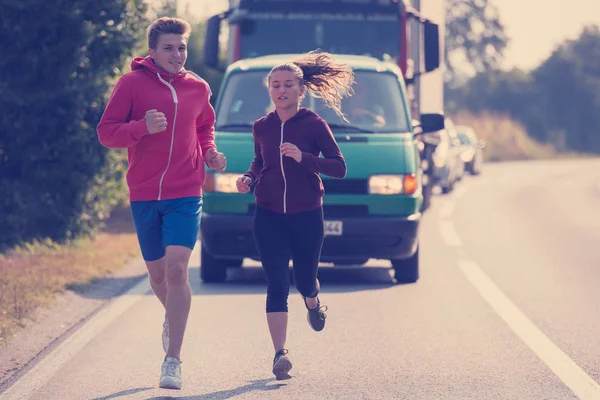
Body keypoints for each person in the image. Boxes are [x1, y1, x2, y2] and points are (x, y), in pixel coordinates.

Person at [97, 17, 226, 390]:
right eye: (169, 47)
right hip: (143, 194)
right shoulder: (131, 85)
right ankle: (173, 314)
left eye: (182, 47)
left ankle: (173, 360)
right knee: (157, 276)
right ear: (152, 51)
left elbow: (204, 127)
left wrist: (210, 153)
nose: (177, 54)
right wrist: (140, 127)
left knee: (176, 269)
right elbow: (106, 133)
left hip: (186, 192)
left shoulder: (198, 87)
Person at [235, 51, 352, 380]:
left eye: (288, 85)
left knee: (303, 280)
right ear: (269, 91)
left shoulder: (314, 125)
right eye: (275, 85)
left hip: (306, 213)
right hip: (268, 213)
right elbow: (260, 162)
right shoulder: (262, 126)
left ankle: (313, 302)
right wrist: (248, 178)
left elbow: (339, 168)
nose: (281, 90)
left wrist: (305, 157)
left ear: (301, 90)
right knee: (276, 283)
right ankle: (279, 354)